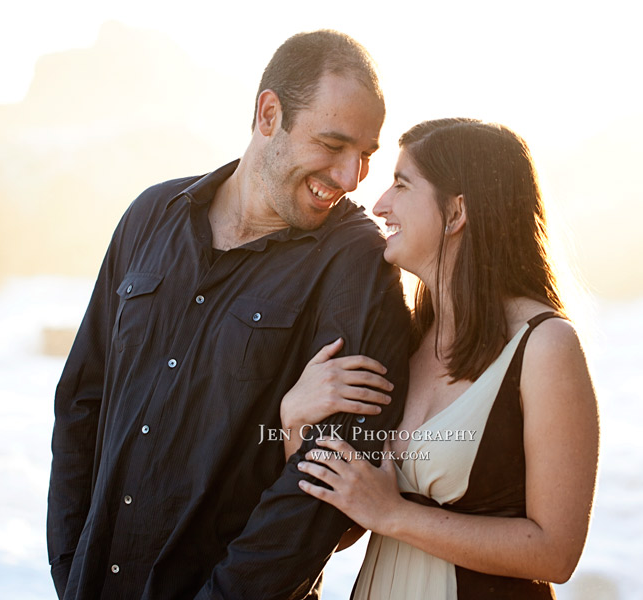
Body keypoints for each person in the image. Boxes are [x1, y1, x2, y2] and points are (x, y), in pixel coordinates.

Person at [46, 30, 412, 599]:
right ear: (270, 114)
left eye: (366, 154)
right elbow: (79, 402)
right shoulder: (151, 216)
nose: (349, 177)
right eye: (333, 144)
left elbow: (327, 481)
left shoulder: (358, 264)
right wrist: (70, 568)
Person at [282, 118, 599, 598]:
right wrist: (296, 422)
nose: (380, 204)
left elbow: (556, 553)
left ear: (456, 212)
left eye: (402, 184)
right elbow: (343, 531)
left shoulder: (545, 346)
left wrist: (395, 514)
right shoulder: (404, 341)